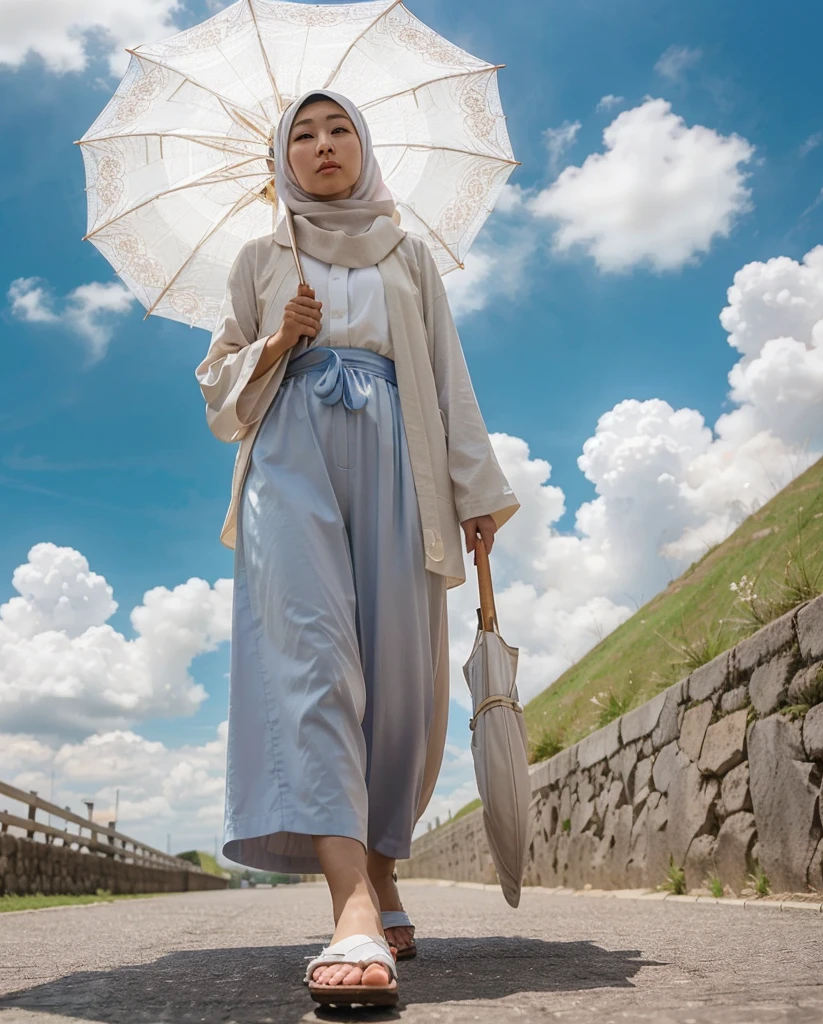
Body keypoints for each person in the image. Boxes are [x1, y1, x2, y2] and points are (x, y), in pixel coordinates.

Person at [195, 89, 520, 1008]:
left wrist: (476, 492)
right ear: (282, 161)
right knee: (312, 662)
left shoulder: (408, 254)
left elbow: (448, 373)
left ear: (364, 147)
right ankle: (350, 910)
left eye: (339, 129)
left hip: (401, 460)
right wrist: (274, 341)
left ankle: (383, 871)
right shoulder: (260, 258)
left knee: (402, 682)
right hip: (289, 463)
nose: (323, 144)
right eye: (303, 134)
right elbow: (218, 392)